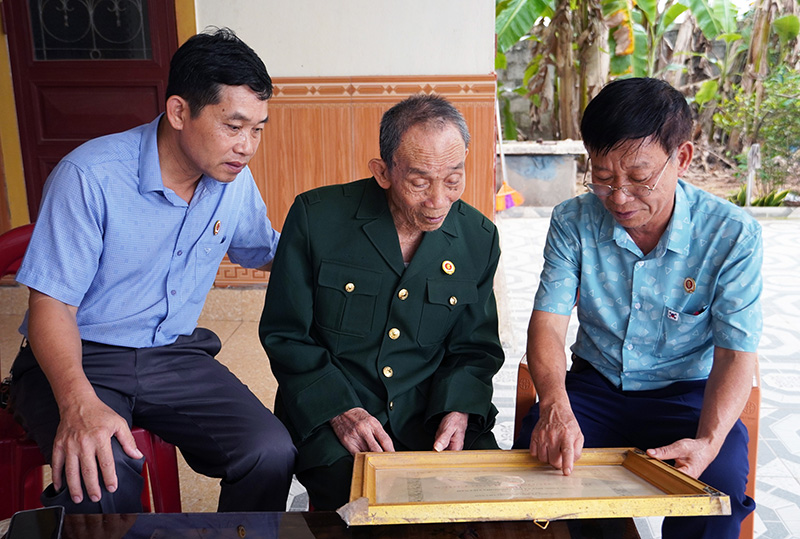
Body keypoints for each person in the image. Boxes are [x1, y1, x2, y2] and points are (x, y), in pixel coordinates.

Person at [9, 28, 296, 514]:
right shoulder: (90, 176)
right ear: (180, 111)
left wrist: (345, 250)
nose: (247, 147)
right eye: (234, 126)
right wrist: (78, 402)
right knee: (102, 475)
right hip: (83, 354)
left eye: (258, 129)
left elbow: (265, 252)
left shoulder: (232, 180)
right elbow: (50, 306)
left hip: (174, 356)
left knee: (270, 451)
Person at [513, 77, 762, 537]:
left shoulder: (731, 236)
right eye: (603, 178)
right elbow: (547, 326)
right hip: (595, 388)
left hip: (688, 395)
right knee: (543, 472)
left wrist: (708, 442)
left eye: (638, 177)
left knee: (717, 491)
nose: (619, 197)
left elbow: (734, 353)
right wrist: (555, 404)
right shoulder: (573, 220)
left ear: (681, 159)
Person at [260, 94, 504, 510]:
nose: (438, 200)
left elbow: (474, 348)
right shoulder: (316, 218)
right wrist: (340, 410)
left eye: (453, 179)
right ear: (383, 172)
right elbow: (286, 334)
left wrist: (459, 409)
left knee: (491, 504)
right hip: (335, 414)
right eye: (420, 181)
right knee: (371, 509)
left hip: (431, 412)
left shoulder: (477, 238)